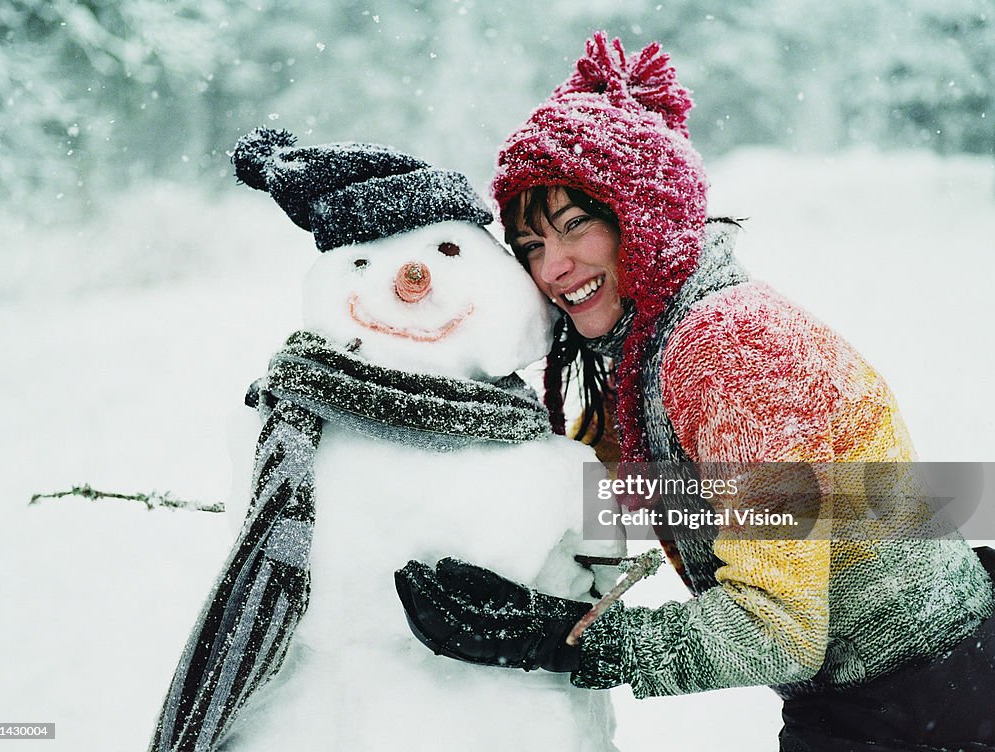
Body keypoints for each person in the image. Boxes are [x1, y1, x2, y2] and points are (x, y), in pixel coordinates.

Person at [394, 32, 995, 751]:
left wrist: (559, 638)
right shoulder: (666, 340)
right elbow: (742, 501)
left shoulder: (732, 350)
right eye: (530, 247)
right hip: (901, 689)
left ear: (639, 214)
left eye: (575, 224)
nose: (552, 267)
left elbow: (775, 630)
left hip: (924, 706)